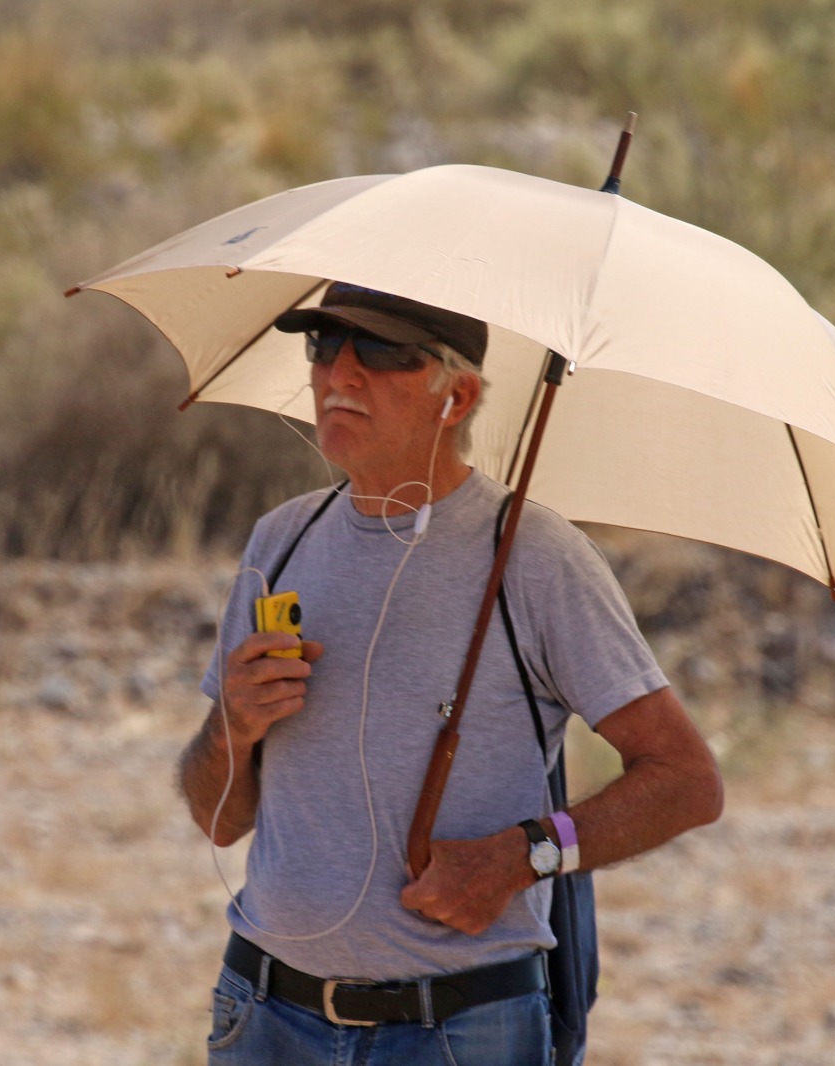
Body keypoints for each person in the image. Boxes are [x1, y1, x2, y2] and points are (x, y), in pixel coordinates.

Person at [178, 282, 723, 1065]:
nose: (342, 374)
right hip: (264, 1013)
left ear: (456, 395)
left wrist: (525, 856)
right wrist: (231, 725)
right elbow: (218, 820)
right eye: (324, 347)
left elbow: (687, 780)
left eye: (382, 353)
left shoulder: (536, 557)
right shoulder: (282, 541)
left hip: (459, 1030)